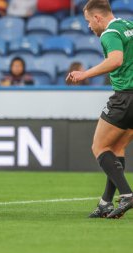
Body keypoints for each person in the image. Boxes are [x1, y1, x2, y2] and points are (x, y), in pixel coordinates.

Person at [67, 0, 133, 219]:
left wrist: (84, 74)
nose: (89, 27)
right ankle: (106, 202)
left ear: (97, 17)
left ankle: (127, 194)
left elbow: (115, 60)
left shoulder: (109, 33)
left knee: (99, 146)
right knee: (116, 148)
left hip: (125, 96)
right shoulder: (127, 24)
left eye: (88, 21)